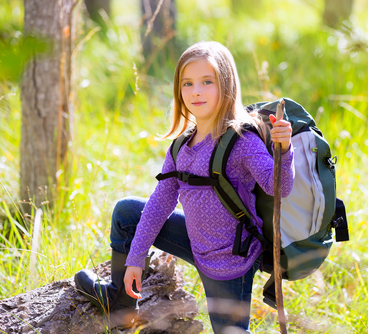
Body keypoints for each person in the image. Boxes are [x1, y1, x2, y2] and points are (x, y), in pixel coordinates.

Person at [74, 41, 294, 333]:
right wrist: (136, 257)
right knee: (126, 212)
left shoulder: (241, 140)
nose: (196, 91)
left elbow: (278, 188)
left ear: (226, 85)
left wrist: (285, 149)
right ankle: (121, 302)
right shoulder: (181, 147)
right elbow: (159, 203)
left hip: (229, 261)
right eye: (187, 83)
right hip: (194, 240)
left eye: (207, 82)